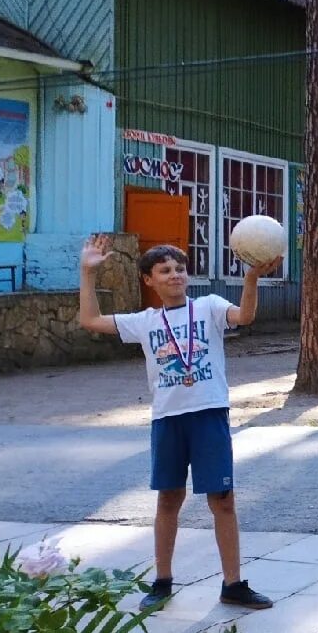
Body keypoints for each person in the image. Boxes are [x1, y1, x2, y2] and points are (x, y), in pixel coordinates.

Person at [77, 235, 276, 612]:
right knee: (169, 498)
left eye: (180, 269)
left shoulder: (209, 307)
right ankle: (163, 581)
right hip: (168, 419)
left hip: (209, 414)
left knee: (223, 500)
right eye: (164, 271)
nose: (174, 275)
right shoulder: (145, 322)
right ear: (148, 280)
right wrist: (87, 273)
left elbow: (245, 316)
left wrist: (250, 280)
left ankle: (233, 584)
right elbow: (90, 320)